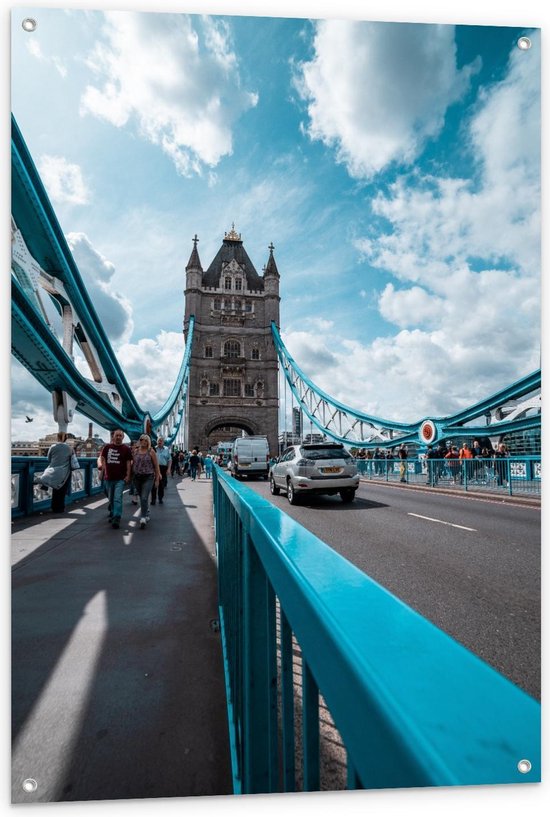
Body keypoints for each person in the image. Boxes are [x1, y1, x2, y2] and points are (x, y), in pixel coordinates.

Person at [99, 429, 133, 529]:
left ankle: (117, 517)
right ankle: (113, 513)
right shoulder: (107, 447)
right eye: (116, 435)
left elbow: (128, 463)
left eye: (120, 436)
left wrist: (128, 475)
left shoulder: (126, 449)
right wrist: (102, 472)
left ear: (123, 437)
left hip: (120, 478)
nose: (118, 437)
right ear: (113, 437)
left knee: (117, 498)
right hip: (108, 477)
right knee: (111, 498)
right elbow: (103, 459)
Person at [41, 432, 74, 512]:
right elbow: (72, 460)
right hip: (65, 472)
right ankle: (61, 507)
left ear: (57, 438)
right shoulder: (69, 448)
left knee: (54, 489)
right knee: (62, 490)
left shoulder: (53, 447)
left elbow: (48, 459)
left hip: (54, 471)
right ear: (66, 438)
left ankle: (54, 507)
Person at [132, 434, 161, 528]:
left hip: (148, 477)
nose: (143, 441)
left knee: (144, 497)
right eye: (141, 439)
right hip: (137, 477)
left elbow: (156, 466)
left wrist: (157, 479)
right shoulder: (135, 451)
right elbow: (132, 464)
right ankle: (146, 512)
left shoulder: (151, 451)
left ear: (148, 441)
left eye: (145, 440)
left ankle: (143, 517)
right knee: (142, 497)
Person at [151, 436, 171, 504]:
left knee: (161, 485)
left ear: (163, 442)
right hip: (154, 468)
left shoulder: (166, 449)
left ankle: (160, 498)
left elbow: (169, 460)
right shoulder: (153, 449)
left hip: (163, 468)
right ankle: (153, 499)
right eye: (158, 440)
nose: (159, 442)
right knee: (154, 484)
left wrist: (168, 469)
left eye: (161, 440)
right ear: (157, 441)